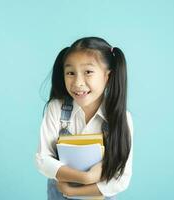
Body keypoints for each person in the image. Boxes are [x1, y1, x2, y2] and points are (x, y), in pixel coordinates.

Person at [35, 36, 133, 199]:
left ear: (107, 76)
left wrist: (74, 190)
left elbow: (121, 179)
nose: (78, 82)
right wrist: (84, 177)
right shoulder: (56, 109)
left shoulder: (121, 118)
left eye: (88, 72)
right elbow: (42, 159)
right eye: (70, 73)